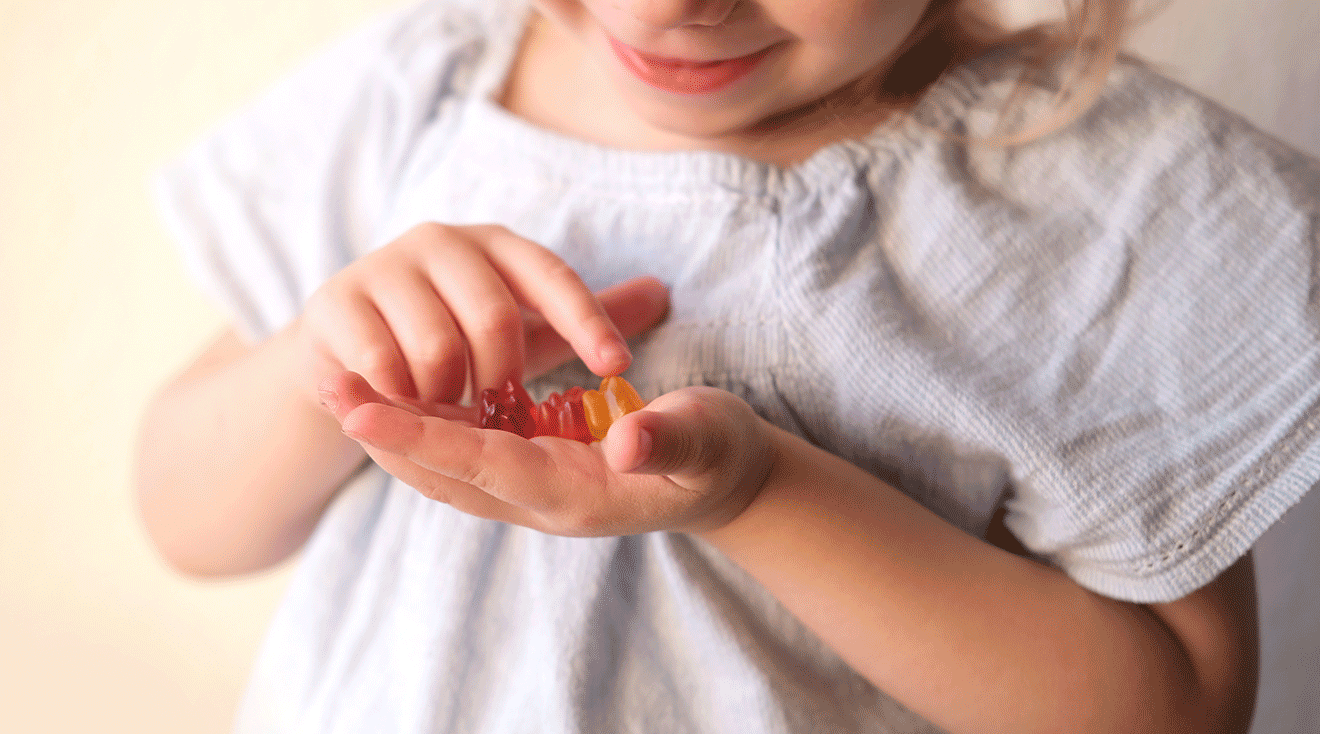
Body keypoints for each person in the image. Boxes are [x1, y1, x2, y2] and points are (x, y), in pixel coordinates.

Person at [134, 0, 1320, 731]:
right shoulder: (427, 86)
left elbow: (1170, 703)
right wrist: (317, 368)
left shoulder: (1097, 199)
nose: (662, 7)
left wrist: (755, 494)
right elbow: (184, 512)